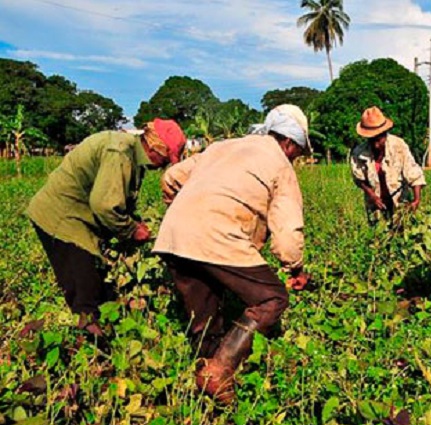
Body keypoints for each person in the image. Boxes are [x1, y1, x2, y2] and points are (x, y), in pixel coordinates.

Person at [153, 104, 312, 403]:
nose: (295, 160)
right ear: (289, 143)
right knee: (272, 298)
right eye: (298, 153)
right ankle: (221, 371)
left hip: (174, 236)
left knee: (206, 321)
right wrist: (295, 269)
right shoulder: (279, 162)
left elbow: (172, 177)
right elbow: (288, 233)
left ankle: (207, 392)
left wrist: (184, 216)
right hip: (218, 234)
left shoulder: (222, 147)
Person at [26, 119, 186, 335]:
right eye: (167, 158)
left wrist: (133, 222)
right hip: (62, 218)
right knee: (86, 294)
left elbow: (118, 200)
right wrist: (132, 230)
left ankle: (96, 334)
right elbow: (104, 205)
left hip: (78, 218)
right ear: (156, 148)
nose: (164, 165)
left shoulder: (131, 156)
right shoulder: (119, 152)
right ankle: (82, 348)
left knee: (98, 287)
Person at [350, 107, 426, 225]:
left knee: (402, 233)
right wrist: (372, 195)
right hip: (375, 203)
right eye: (372, 140)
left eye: (379, 139)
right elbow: (359, 179)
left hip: (400, 200)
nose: (375, 145)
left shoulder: (398, 146)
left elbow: (414, 173)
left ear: (385, 134)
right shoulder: (359, 152)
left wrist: (416, 200)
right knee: (378, 236)